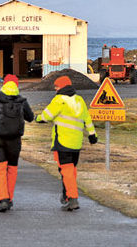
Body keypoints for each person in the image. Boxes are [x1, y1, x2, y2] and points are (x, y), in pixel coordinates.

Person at [35, 75, 98, 211]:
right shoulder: (79, 100)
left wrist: (38, 118)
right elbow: (87, 118)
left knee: (66, 170)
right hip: (76, 143)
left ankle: (73, 198)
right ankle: (67, 195)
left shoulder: (59, 100)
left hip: (62, 141)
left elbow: (47, 116)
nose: (55, 89)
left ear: (61, 87)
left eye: (56, 87)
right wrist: (92, 135)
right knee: (71, 170)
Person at [0, 74, 34, 212]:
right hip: (15, 140)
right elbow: (30, 117)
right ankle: (9, 198)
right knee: (12, 169)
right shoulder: (22, 100)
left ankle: (3, 199)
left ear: (4, 84)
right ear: (16, 85)